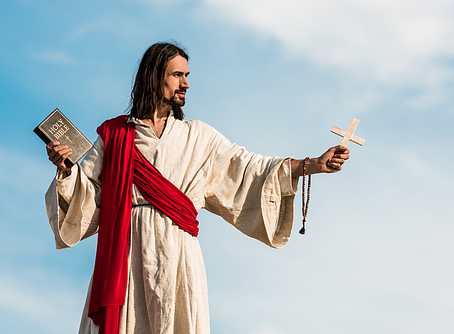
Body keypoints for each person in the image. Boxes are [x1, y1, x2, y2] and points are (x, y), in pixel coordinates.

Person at [45, 42, 350, 334]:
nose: (186, 83)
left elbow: (249, 168)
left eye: (187, 75)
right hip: (125, 253)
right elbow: (85, 195)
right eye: (177, 75)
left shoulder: (198, 137)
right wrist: (65, 168)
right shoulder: (115, 135)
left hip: (178, 254)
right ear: (155, 77)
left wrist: (312, 165)